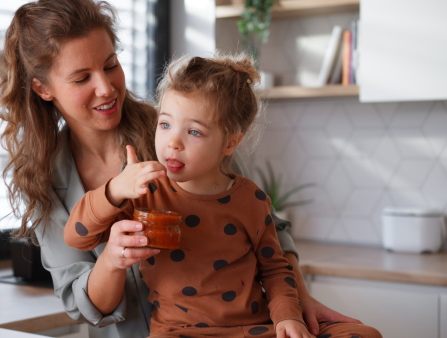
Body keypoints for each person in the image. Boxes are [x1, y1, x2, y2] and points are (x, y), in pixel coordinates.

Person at [0, 0, 380, 337]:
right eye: (82, 78)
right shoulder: (45, 180)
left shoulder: (182, 128)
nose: (107, 88)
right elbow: (85, 304)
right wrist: (112, 258)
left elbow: (267, 230)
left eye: (111, 65)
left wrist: (296, 303)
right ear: (43, 89)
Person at [63, 53, 381, 338]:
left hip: (255, 328)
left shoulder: (251, 200)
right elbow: (76, 238)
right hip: (178, 332)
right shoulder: (145, 192)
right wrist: (114, 189)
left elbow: (275, 269)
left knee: (365, 334)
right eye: (165, 125)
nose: (173, 143)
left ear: (229, 143)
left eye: (194, 132)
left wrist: (289, 317)